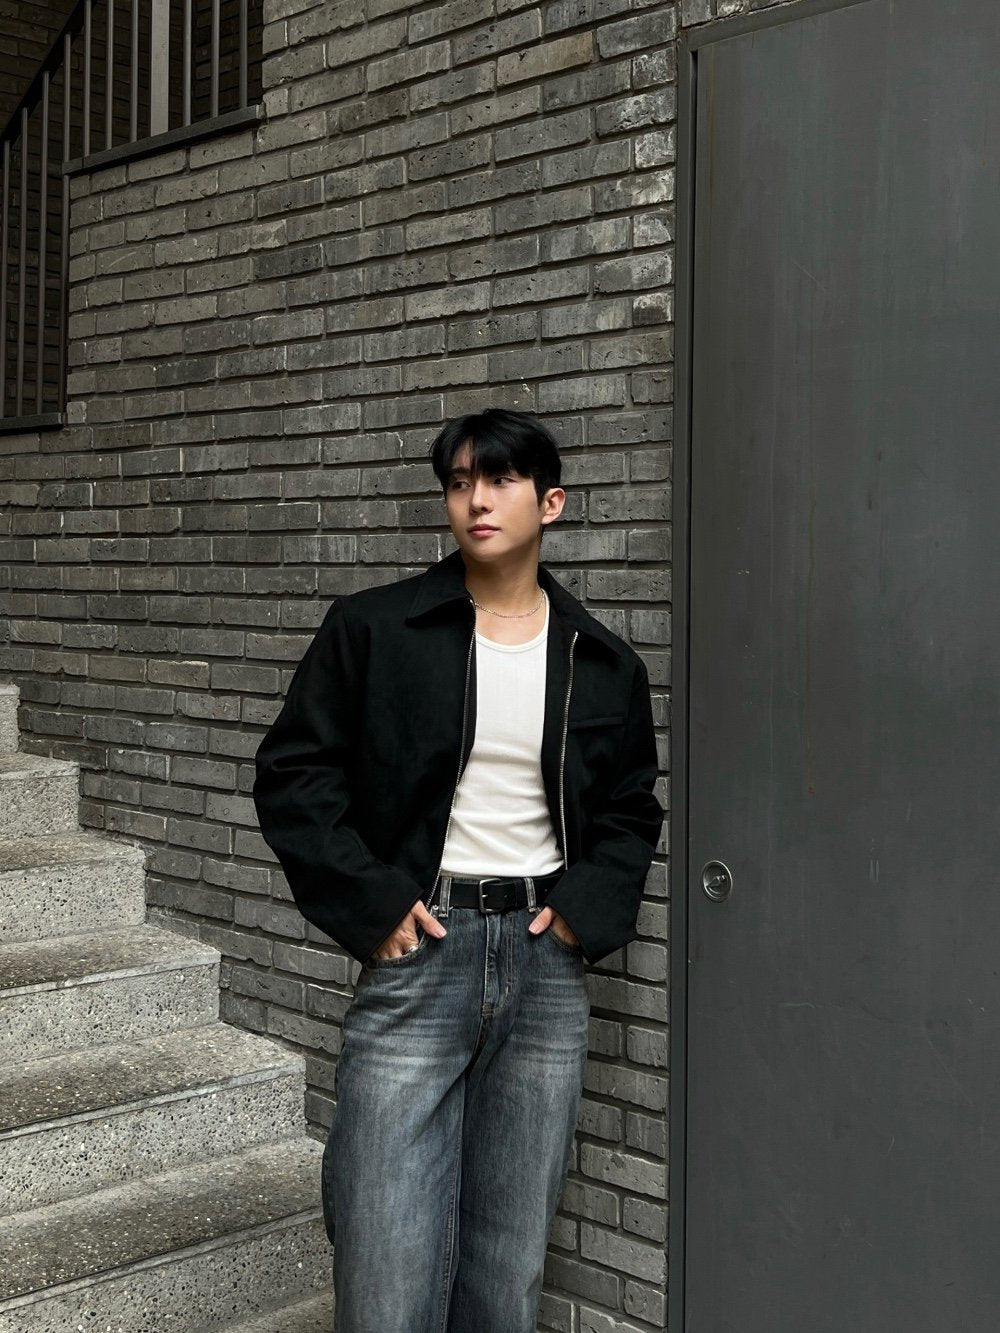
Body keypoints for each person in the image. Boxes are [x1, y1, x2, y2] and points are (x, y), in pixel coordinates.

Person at [251, 407, 664, 1333]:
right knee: (383, 1260)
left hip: (544, 964)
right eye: (459, 481)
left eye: (501, 479)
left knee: (506, 1268)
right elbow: (292, 776)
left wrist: (581, 914)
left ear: (550, 502)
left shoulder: (601, 660)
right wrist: (374, 904)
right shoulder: (375, 628)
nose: (476, 498)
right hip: (422, 952)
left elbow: (631, 807)